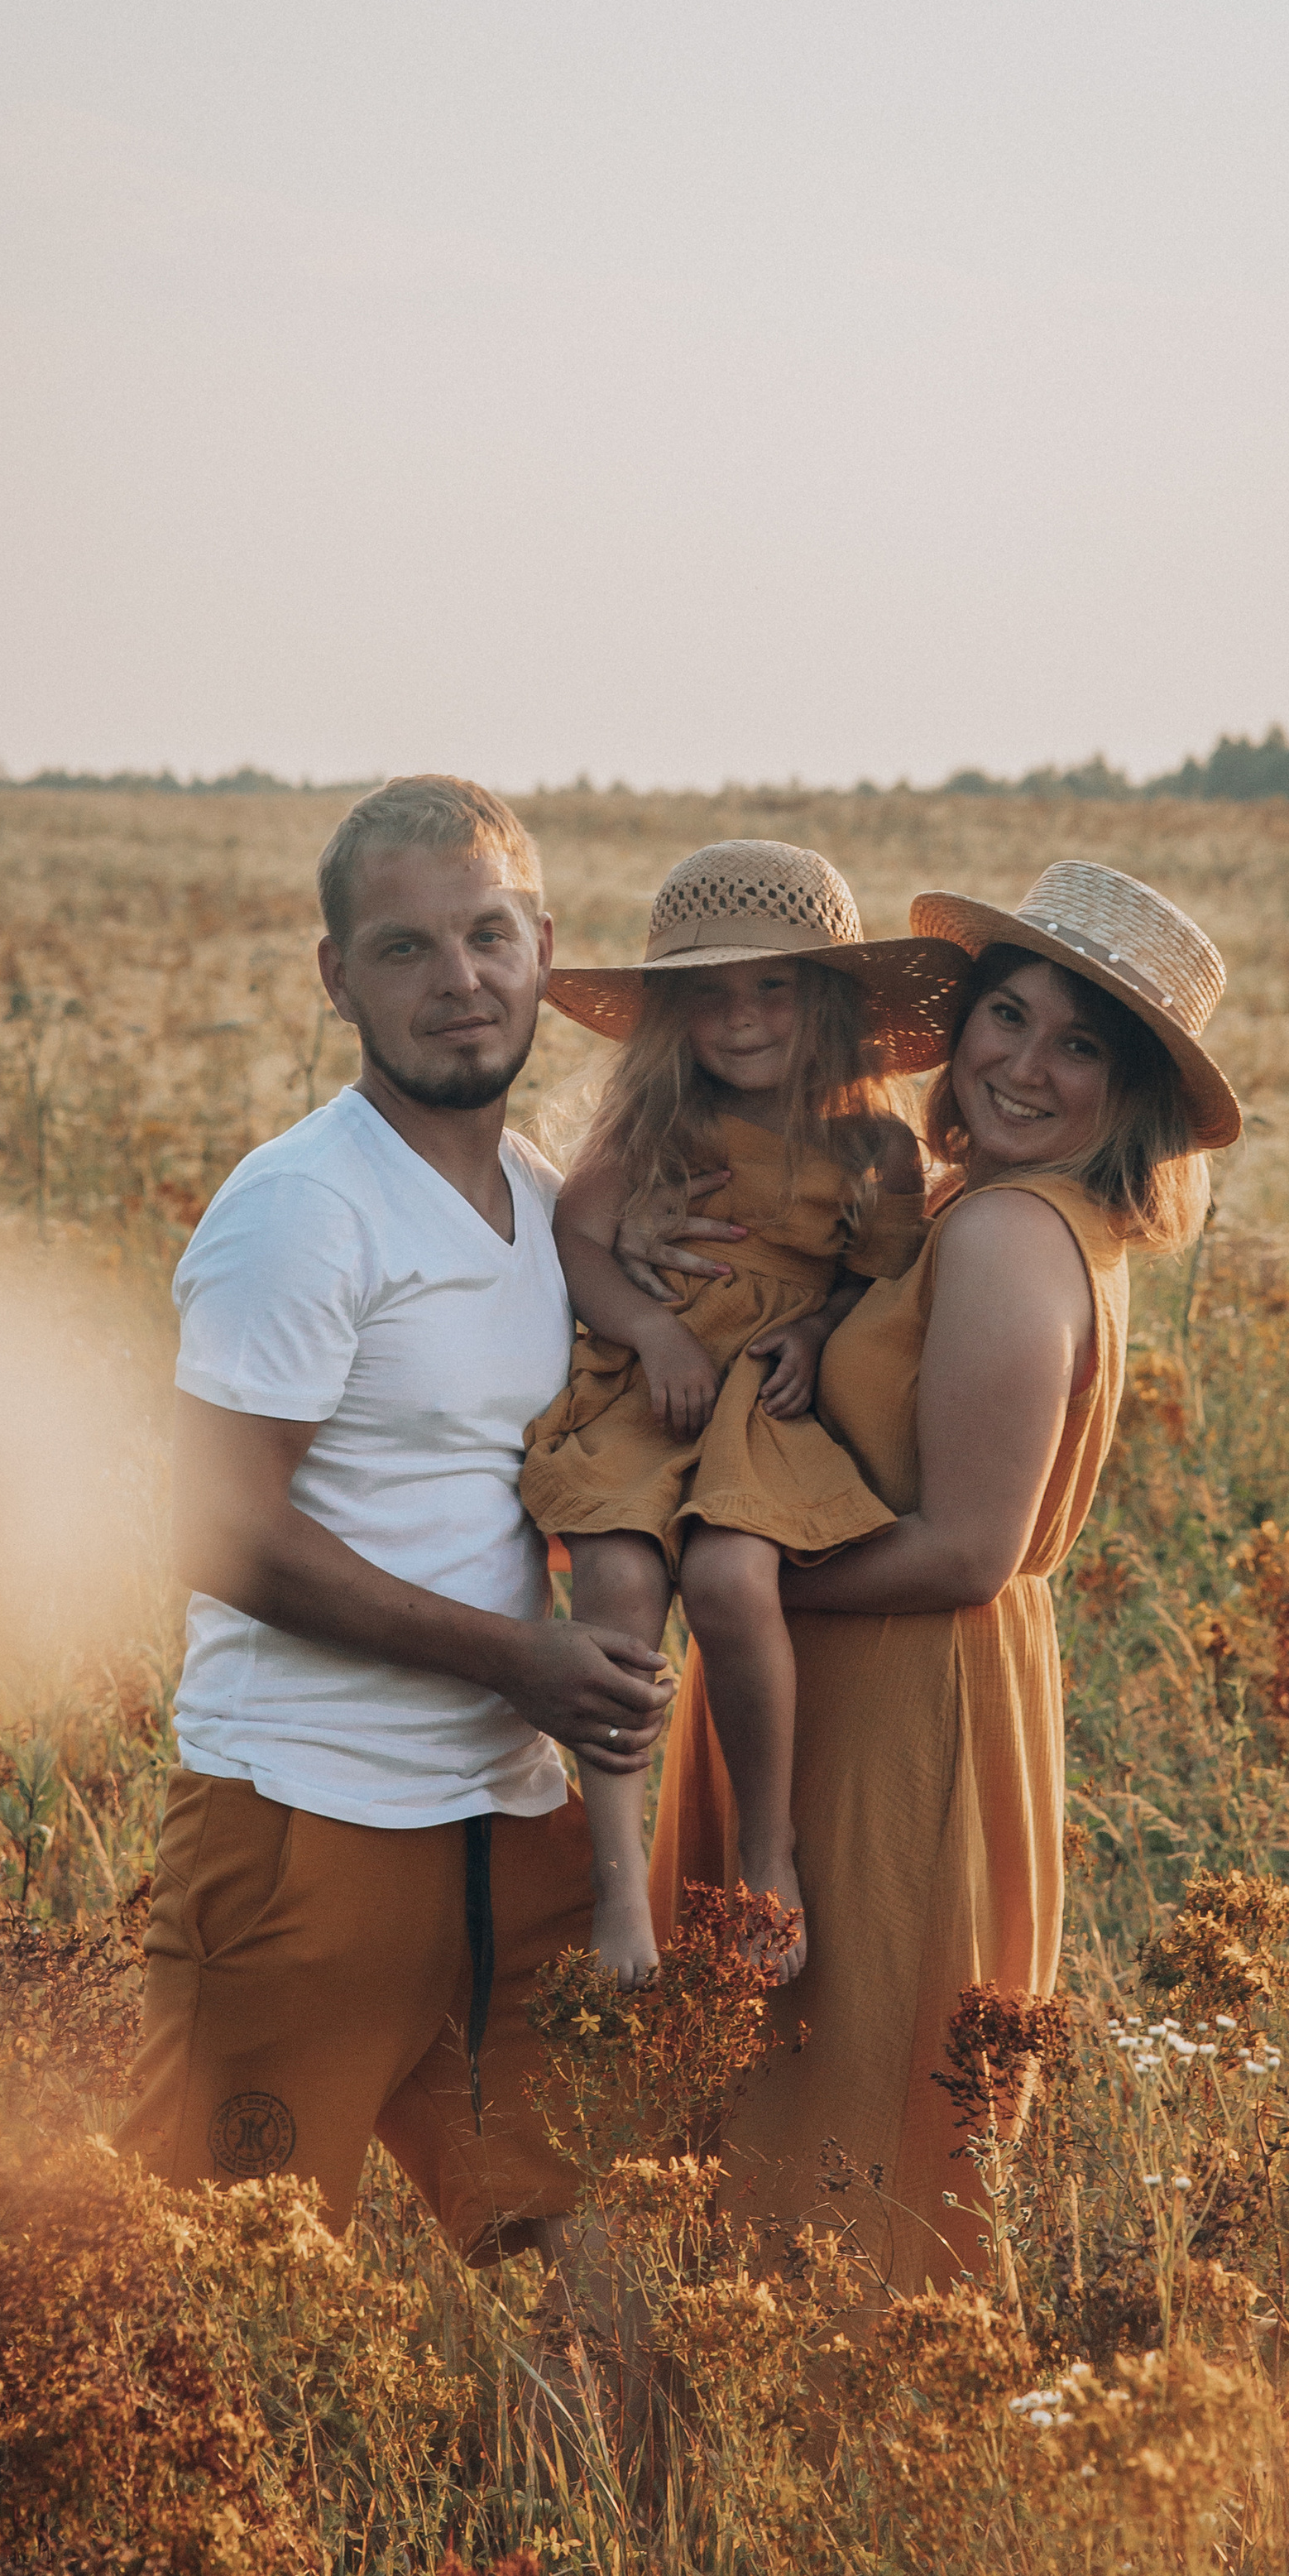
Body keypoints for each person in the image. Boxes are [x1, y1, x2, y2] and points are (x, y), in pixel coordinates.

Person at [648, 859, 1241, 2292]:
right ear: (961, 1025)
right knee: (829, 2125)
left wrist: (736, 1592)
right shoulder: (1022, 1218)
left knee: (828, 2131)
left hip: (890, 1715)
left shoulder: (1002, 1232)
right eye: (1007, 1016)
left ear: (1135, 1096)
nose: (1025, 1066)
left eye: (1080, 1045)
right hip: (897, 1692)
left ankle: (796, 2463)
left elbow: (969, 1547)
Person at [116, 774, 673, 2259]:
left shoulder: (550, 1209)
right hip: (310, 1825)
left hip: (510, 1826)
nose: (460, 983)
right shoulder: (304, 1207)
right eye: (406, 949)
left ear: (545, 948)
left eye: (489, 935)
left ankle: (593, 2505)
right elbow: (219, 1532)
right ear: (335, 978)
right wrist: (517, 1660)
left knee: (591, 2236)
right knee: (229, 2289)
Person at [520, 842, 966, 1990]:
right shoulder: (659, 1123)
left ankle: (767, 1846)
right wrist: (652, 1329)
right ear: (674, 1015)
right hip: (653, 1387)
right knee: (614, 1581)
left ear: (825, 999)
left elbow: (879, 1282)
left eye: (773, 984)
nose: (743, 1017)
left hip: (759, 1408)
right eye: (710, 992)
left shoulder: (875, 1146)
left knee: (728, 1581)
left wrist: (814, 1336)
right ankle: (619, 1885)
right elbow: (578, 1235)